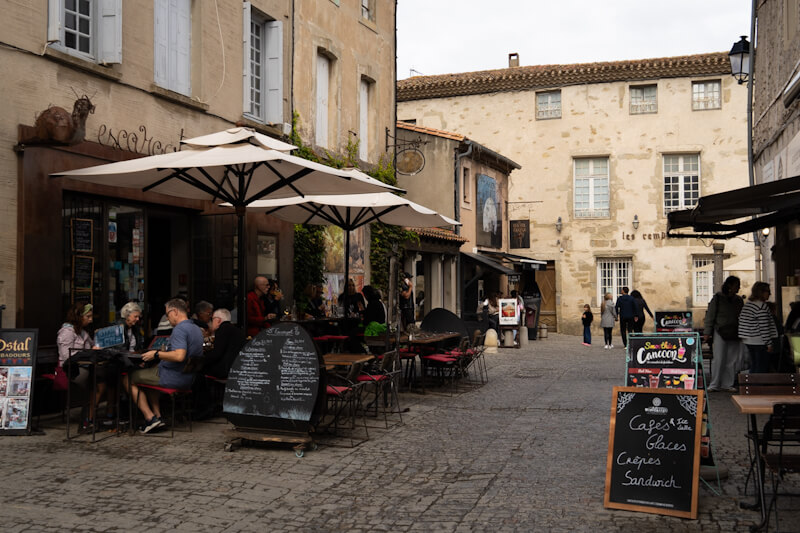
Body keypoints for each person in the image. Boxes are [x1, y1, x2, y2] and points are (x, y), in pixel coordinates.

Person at [126, 298, 204, 433]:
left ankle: (149, 418)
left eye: (167, 315)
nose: (168, 319)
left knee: (129, 378)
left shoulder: (180, 329)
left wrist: (156, 354)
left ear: (174, 312)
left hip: (172, 377)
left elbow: (179, 356)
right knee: (148, 377)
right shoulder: (196, 328)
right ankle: (158, 417)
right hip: (188, 378)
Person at [56, 303, 103, 428]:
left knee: (101, 378)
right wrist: (87, 354)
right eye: (88, 316)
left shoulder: (83, 332)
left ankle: (89, 417)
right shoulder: (66, 332)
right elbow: (66, 356)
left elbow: (92, 347)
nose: (90, 319)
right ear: (78, 317)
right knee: (94, 380)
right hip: (69, 370)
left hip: (83, 367)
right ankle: (86, 419)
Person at [703, 275, 744, 392]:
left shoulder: (739, 300)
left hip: (734, 331)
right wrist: (707, 331)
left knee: (732, 359)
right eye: (737, 285)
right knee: (719, 358)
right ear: (730, 286)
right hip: (720, 331)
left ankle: (727, 383)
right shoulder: (718, 298)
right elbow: (710, 315)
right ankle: (715, 383)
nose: (738, 288)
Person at [738, 281, 779, 374]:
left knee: (755, 365)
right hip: (759, 341)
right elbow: (764, 327)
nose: (770, 294)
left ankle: (751, 386)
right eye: (768, 291)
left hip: (748, 340)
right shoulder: (761, 307)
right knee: (761, 367)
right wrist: (769, 344)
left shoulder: (748, 304)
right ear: (761, 292)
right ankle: (757, 387)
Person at [203, 309, 247, 379]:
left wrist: (202, 360)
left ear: (218, 320)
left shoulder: (222, 330)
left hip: (226, 370)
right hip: (239, 368)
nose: (211, 322)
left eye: (213, 319)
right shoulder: (237, 330)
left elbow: (216, 354)